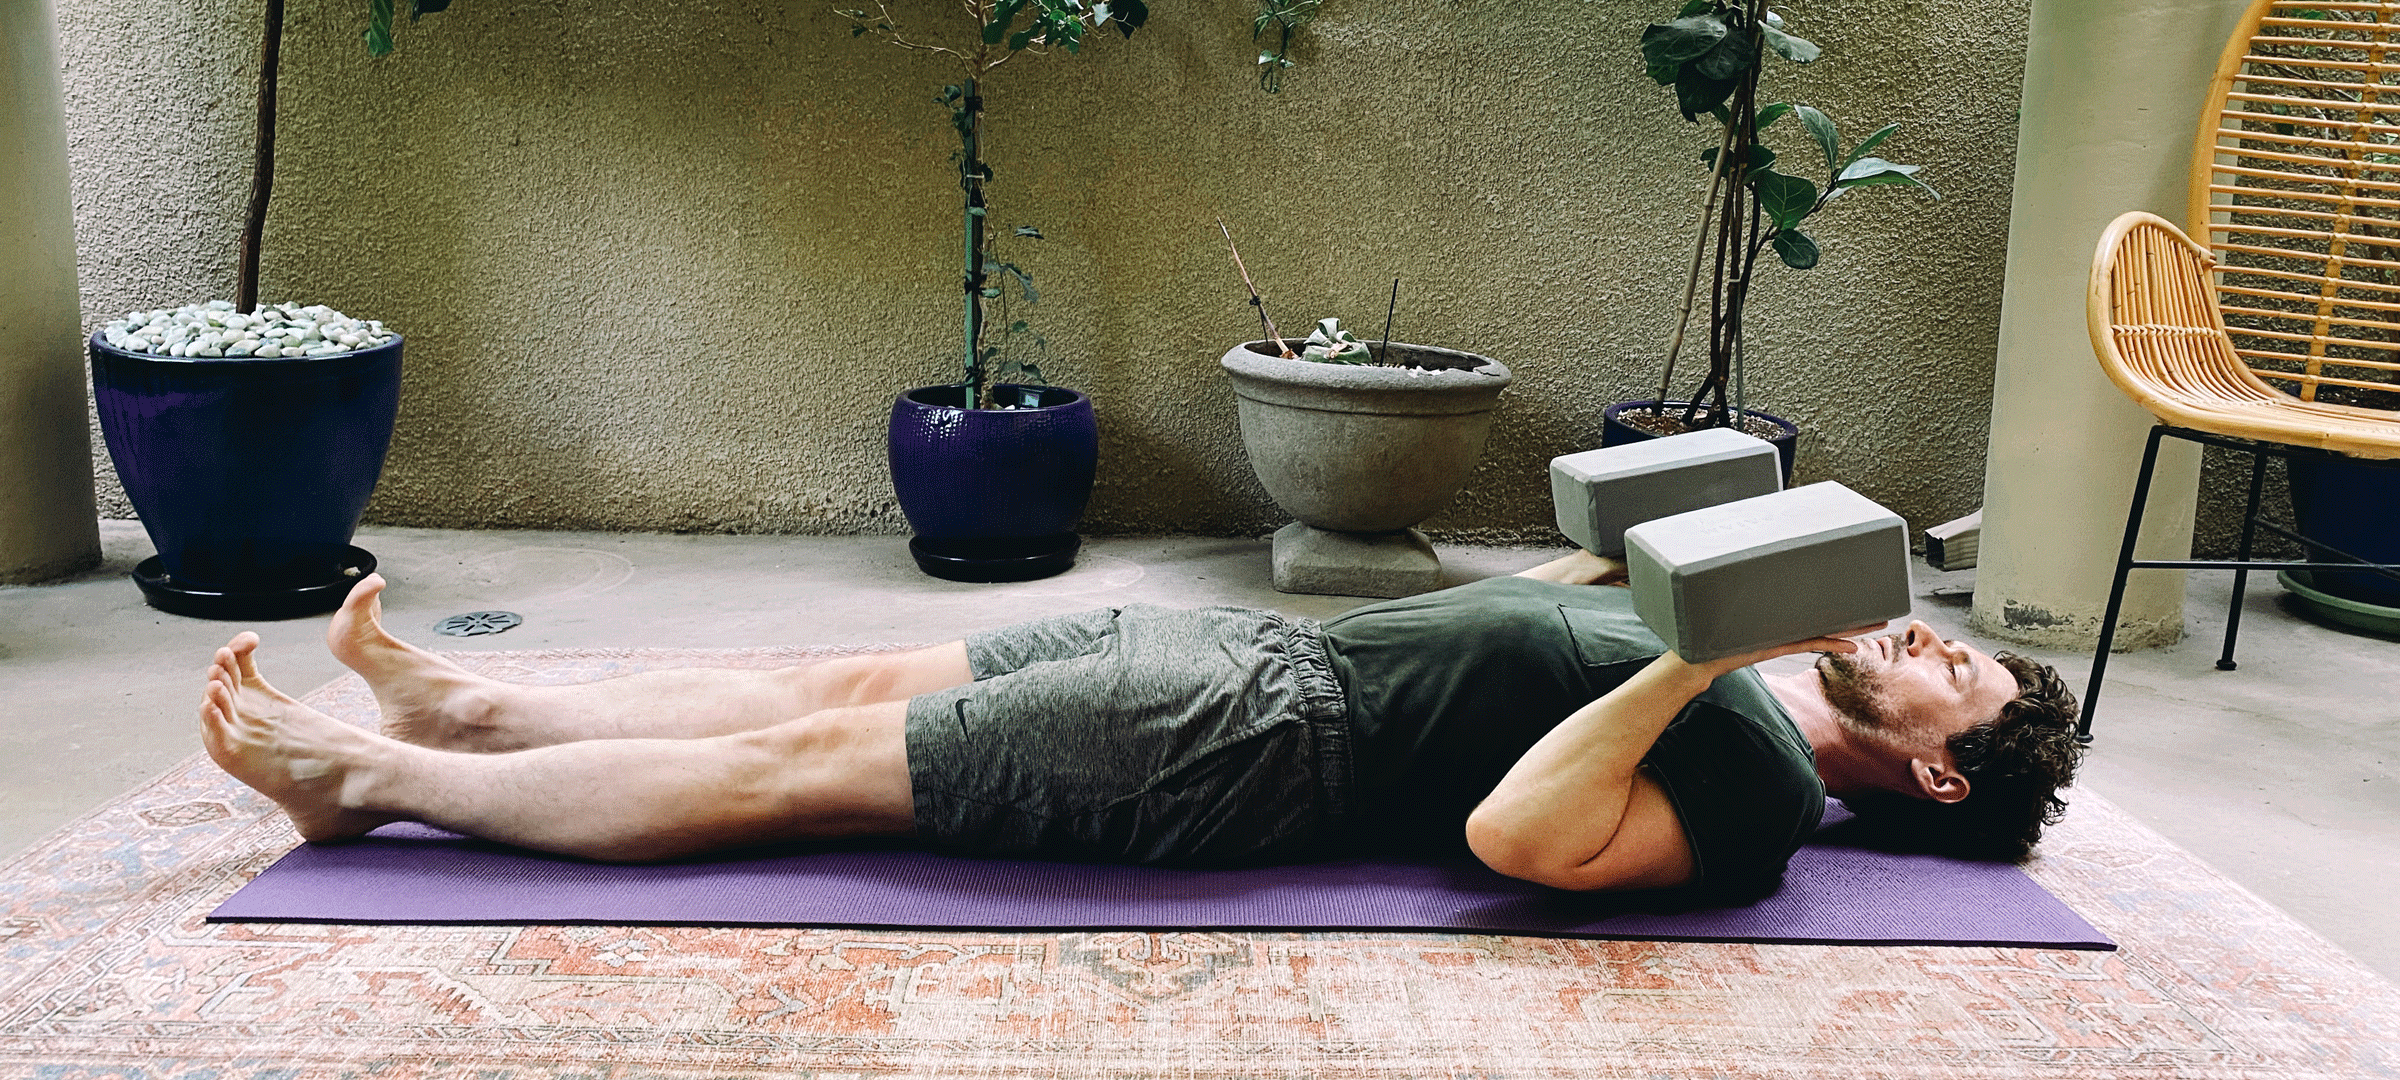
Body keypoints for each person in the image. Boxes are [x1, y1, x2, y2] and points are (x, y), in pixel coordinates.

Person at [199, 550, 2081, 896]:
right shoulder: (1753, 678)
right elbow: (1553, 630)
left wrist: (1696, 649)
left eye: (1965, 670)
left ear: (1932, 761)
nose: (1934, 636)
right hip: (1259, 656)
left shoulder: (1754, 801)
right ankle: (471, 700)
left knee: (800, 776)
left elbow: (1519, 840)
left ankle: (369, 781)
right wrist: (1662, 570)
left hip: (1254, 748)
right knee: (825, 681)